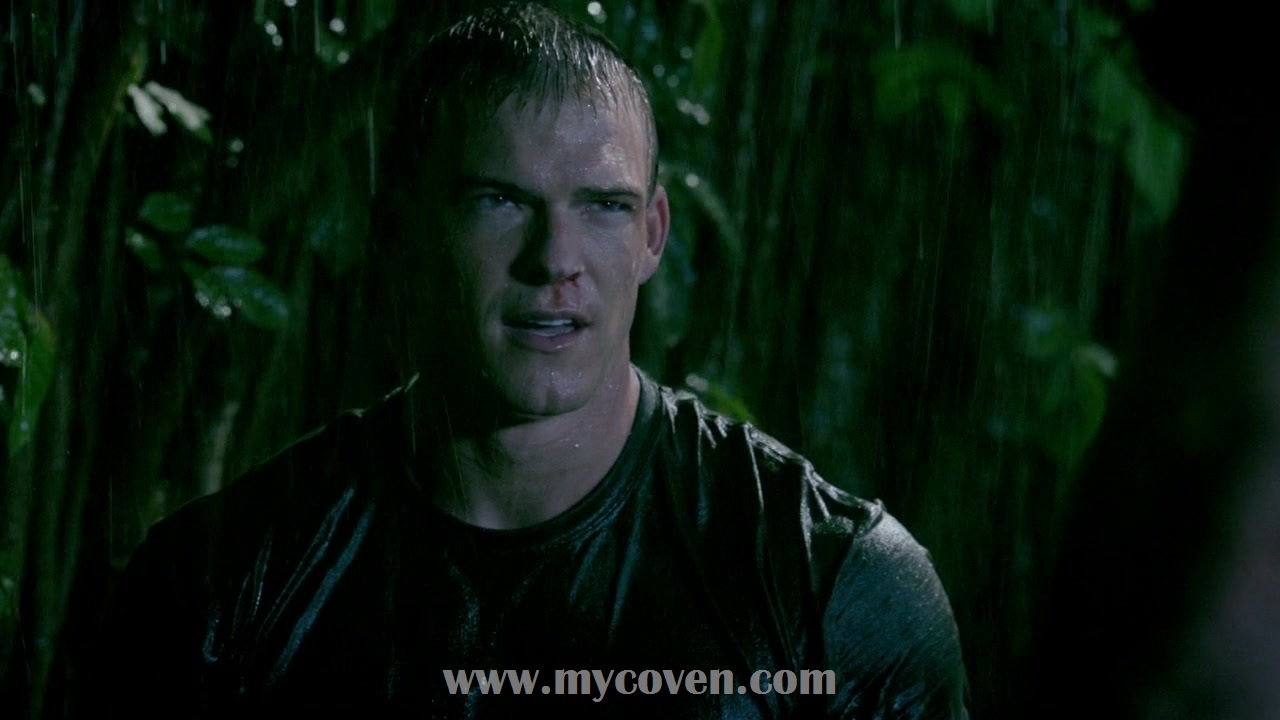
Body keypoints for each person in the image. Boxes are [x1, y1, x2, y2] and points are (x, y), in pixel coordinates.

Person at [100, 3, 968, 717]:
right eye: (501, 200)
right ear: (397, 228)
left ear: (652, 235)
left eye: (603, 206)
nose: (556, 259)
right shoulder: (219, 590)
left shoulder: (832, 590)